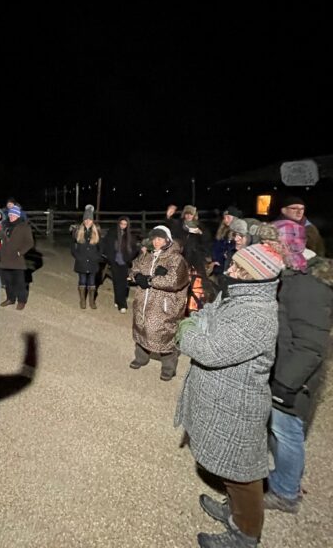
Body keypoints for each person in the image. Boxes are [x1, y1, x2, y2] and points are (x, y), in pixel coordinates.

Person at [174, 242, 286, 548]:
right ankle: (233, 511)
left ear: (258, 278)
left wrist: (187, 330)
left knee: (242, 474)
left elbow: (209, 349)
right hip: (220, 399)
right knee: (229, 467)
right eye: (234, 265)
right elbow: (208, 312)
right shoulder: (238, 295)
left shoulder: (257, 315)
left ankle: (245, 533)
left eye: (240, 269)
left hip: (237, 405)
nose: (230, 270)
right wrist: (199, 322)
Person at [266, 242, 333, 514]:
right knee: (280, 428)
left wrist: (286, 383)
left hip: (293, 376)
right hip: (285, 368)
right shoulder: (294, 279)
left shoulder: (309, 288)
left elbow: (310, 344)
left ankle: (286, 492)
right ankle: (285, 478)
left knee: (287, 430)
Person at [129, 225, 189, 380]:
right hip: (143, 302)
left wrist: (150, 280)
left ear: (167, 240)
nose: (156, 242)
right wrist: (137, 277)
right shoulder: (147, 255)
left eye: (160, 239)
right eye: (154, 238)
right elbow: (134, 267)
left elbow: (175, 280)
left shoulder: (176, 258)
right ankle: (141, 358)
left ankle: (168, 368)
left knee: (164, 335)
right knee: (142, 329)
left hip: (164, 305)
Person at [0, 204, 34, 310]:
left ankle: (21, 300)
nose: (11, 216)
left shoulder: (24, 226)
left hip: (17, 259)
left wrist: (21, 252)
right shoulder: (4, 225)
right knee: (7, 281)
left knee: (20, 282)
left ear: (18, 215)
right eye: (10, 214)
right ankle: (10, 298)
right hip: (5, 258)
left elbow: (29, 242)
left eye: (14, 214)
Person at [101, 216, 139, 312]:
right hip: (114, 260)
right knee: (116, 281)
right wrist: (109, 257)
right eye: (121, 224)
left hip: (124, 261)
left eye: (125, 224)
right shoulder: (112, 232)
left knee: (123, 282)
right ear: (118, 224)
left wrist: (129, 258)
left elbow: (134, 249)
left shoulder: (130, 235)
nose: (123, 226)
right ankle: (120, 302)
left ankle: (120, 302)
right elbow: (105, 244)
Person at [71, 205, 103, 309]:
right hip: (82, 262)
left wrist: (97, 257)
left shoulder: (97, 232)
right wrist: (78, 256)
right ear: (83, 220)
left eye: (90, 219)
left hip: (93, 262)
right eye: (86, 219)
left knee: (92, 282)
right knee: (82, 281)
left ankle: (91, 301)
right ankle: (82, 300)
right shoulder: (78, 231)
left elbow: (101, 247)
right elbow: (73, 247)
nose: (88, 221)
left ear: (92, 220)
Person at [211, 205, 244, 276]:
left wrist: (228, 253)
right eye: (224, 217)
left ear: (235, 218)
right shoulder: (222, 231)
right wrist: (215, 260)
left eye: (228, 217)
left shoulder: (239, 232)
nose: (226, 219)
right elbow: (215, 246)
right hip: (219, 265)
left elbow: (237, 247)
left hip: (231, 266)